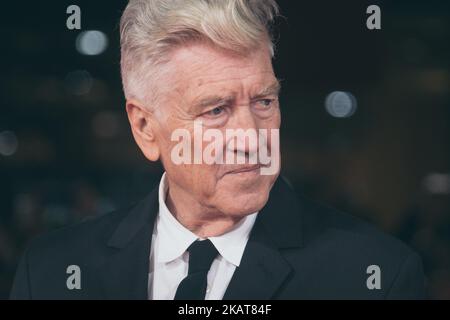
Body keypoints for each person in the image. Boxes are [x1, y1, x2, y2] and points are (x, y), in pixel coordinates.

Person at [10, 0, 425, 299]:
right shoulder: (50, 272)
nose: (251, 137)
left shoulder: (376, 278)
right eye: (216, 109)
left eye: (264, 101)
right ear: (144, 129)